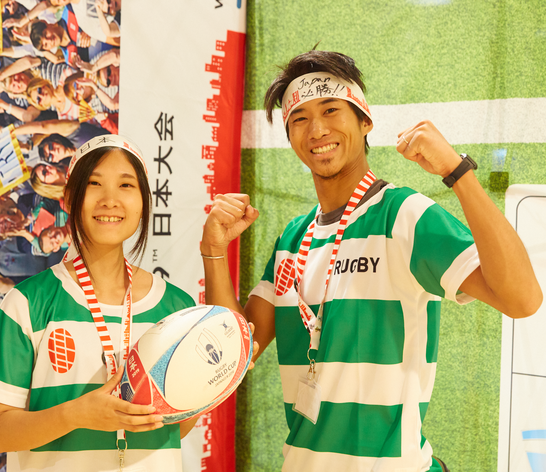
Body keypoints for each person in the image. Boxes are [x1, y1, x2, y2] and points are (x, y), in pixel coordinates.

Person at [200, 50, 543, 472]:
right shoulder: (292, 238)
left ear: (365, 121)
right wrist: (213, 251)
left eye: (331, 110)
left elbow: (522, 299)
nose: (317, 129)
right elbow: (234, 357)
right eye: (300, 118)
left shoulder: (403, 215)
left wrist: (457, 172)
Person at [0, 134, 197, 472]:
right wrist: (75, 415)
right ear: (68, 199)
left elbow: (178, 425)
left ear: (143, 202)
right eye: (93, 184)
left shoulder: (176, 307)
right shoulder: (27, 303)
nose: (110, 200)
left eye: (126, 185)